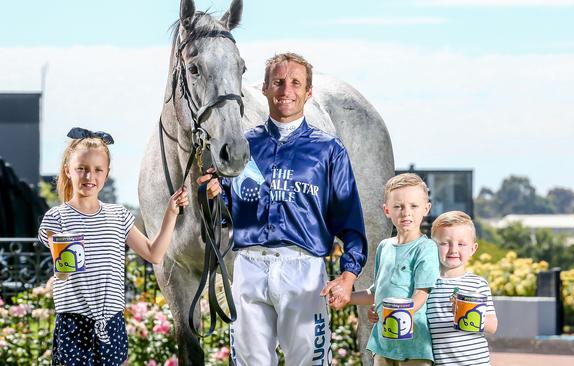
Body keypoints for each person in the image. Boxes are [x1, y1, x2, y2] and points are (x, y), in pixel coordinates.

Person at [197, 52, 367, 365]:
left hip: (303, 271)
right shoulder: (243, 148)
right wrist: (212, 195)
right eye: (278, 81)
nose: (285, 89)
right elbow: (226, 214)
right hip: (250, 266)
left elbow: (350, 220)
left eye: (295, 83)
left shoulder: (329, 150)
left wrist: (347, 276)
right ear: (264, 88)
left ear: (308, 92)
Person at [38, 128, 188, 366]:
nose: (90, 176)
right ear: (68, 170)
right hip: (73, 324)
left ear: (106, 174)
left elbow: (154, 253)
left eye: (98, 169)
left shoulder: (118, 215)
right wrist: (63, 265)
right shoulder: (56, 217)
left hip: (112, 323)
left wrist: (171, 213)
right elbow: (64, 272)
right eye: (82, 169)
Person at [348, 173, 439, 366]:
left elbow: (422, 294)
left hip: (414, 345)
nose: (406, 212)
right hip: (383, 344)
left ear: (426, 209)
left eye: (413, 206)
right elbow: (376, 293)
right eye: (398, 206)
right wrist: (345, 297)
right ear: (387, 210)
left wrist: (393, 314)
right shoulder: (384, 247)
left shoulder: (426, 248)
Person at [426, 211, 498, 365]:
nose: (453, 250)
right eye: (445, 243)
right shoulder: (426, 284)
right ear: (432, 247)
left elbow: (492, 325)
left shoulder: (478, 284)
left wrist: (465, 312)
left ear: (473, 249)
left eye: (461, 244)